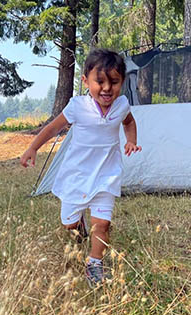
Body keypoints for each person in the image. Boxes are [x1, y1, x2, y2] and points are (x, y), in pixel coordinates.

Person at [20, 48, 141, 286]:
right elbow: (53, 128)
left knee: (103, 224)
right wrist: (33, 147)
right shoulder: (77, 106)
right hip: (77, 176)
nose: (107, 88)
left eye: (114, 82)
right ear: (86, 81)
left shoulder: (122, 105)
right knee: (69, 224)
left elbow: (129, 122)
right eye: (100, 82)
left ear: (122, 82)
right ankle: (79, 225)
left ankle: (95, 263)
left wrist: (131, 140)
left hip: (107, 175)